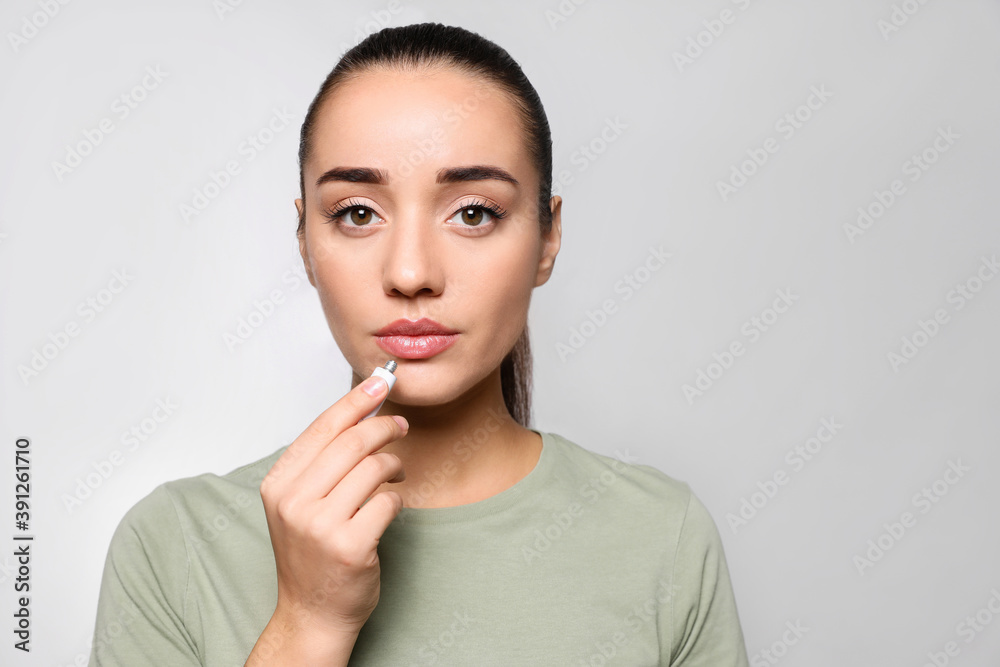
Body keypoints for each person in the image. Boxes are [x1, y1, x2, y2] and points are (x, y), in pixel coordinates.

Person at [89, 22, 750, 666]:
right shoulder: (172, 546)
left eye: (472, 212)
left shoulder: (662, 537)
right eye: (358, 213)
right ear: (305, 245)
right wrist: (308, 620)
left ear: (546, 240)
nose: (410, 273)